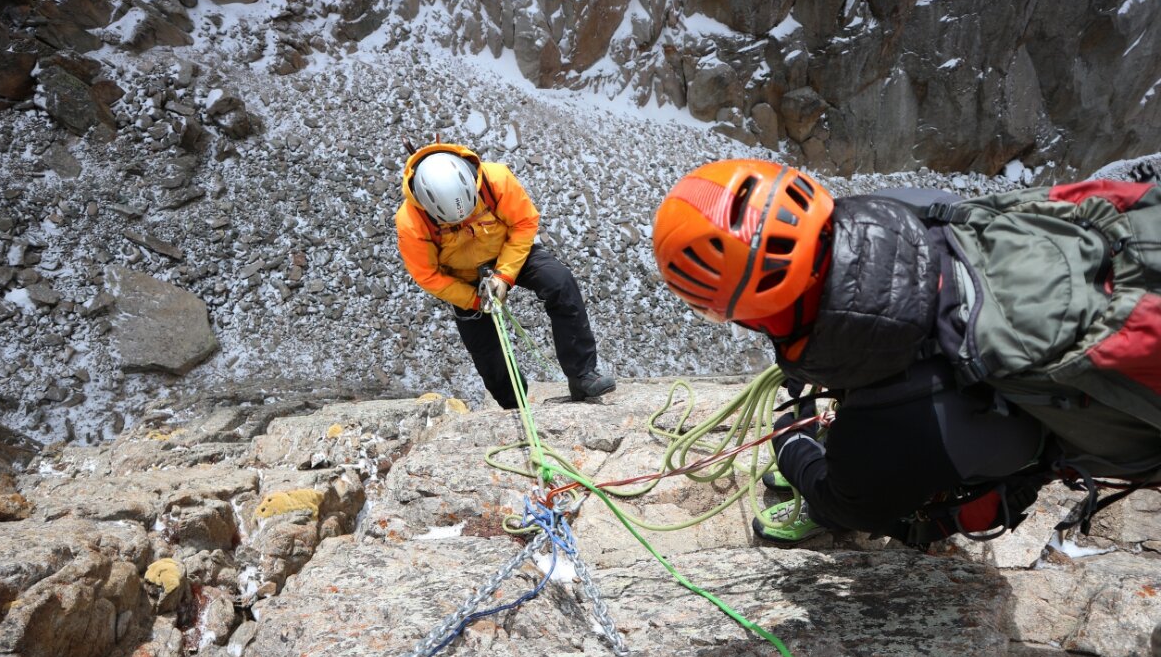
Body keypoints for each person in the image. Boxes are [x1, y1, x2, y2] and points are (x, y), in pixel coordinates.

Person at [651, 159, 1160, 544]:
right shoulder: (907, 206)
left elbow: (851, 506)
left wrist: (793, 442)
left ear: (743, 312)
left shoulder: (890, 427)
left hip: (1028, 412)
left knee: (982, 441)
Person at [395, 140, 615, 409]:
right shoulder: (411, 221)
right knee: (485, 349)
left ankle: (583, 376)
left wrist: (504, 275)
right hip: (462, 277)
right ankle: (515, 406)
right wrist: (474, 300)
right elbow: (426, 274)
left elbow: (524, 223)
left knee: (560, 282)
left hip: (508, 252)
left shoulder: (495, 179)